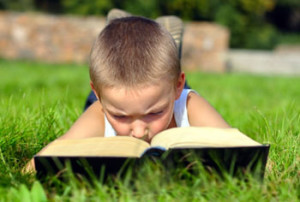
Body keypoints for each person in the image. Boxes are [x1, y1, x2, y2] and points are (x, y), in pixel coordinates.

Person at [25, 11, 229, 172]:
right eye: (121, 117)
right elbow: (41, 163)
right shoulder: (100, 112)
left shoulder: (189, 104)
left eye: (155, 112)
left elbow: (246, 150)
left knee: (165, 78)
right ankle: (118, 31)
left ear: (179, 86)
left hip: (163, 90)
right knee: (106, 94)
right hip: (116, 96)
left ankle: (167, 46)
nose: (139, 131)